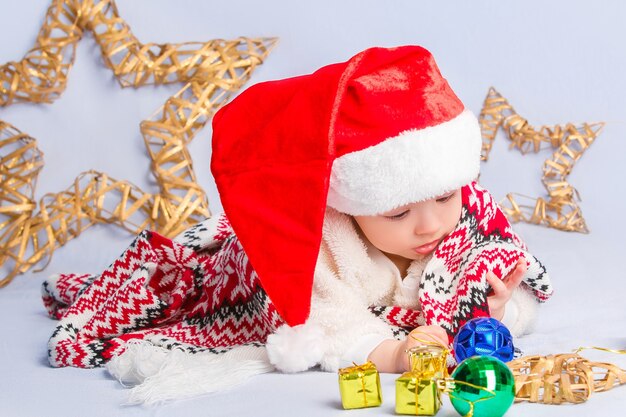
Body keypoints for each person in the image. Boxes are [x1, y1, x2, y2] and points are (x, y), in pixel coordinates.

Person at [42, 45, 552, 401]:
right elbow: (329, 319)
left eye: (444, 197)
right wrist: (394, 353)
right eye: (398, 213)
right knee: (194, 282)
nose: (430, 226)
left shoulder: (466, 210)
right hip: (250, 260)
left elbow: (496, 269)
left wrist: (495, 309)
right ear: (352, 203)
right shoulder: (322, 242)